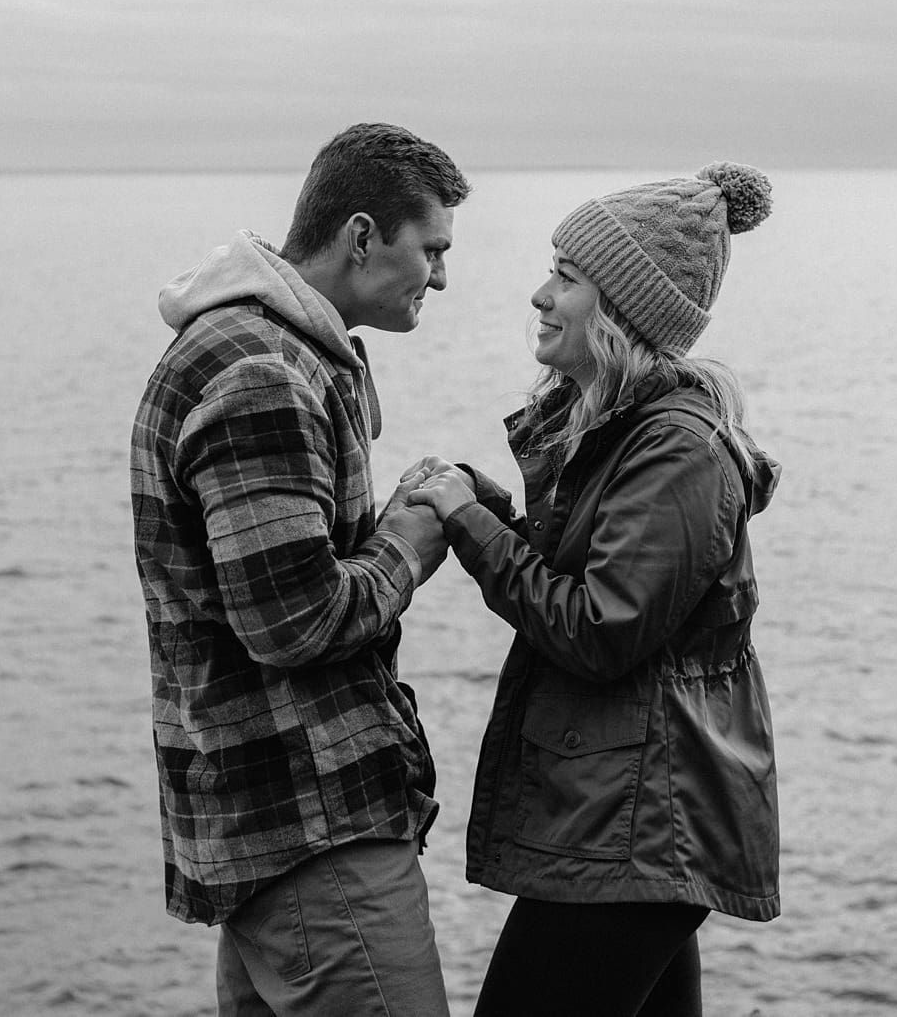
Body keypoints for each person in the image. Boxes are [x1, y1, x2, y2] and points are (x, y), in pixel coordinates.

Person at [403, 161, 782, 1017]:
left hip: (641, 828)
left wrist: (472, 527)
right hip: (630, 823)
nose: (540, 294)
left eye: (567, 279)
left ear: (621, 309)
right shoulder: (625, 432)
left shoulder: (676, 450)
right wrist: (494, 506)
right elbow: (603, 574)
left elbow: (602, 628)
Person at [131, 122, 470, 1017]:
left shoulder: (264, 350)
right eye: (431, 249)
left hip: (275, 830)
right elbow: (294, 620)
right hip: (311, 831)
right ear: (362, 236)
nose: (441, 276)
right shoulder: (262, 372)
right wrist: (412, 542)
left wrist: (399, 510)